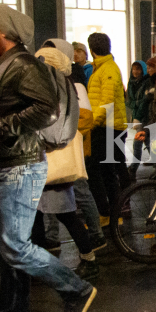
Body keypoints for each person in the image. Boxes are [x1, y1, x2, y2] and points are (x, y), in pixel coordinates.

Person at [0, 5, 95, 312]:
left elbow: (46, 110)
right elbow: (7, 107)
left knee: (14, 245)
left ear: (3, 30)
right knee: (6, 247)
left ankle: (76, 290)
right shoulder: (0, 65)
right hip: (0, 165)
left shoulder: (21, 63)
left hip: (17, 167)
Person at [31, 46, 103, 280]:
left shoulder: (59, 92)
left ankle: (89, 258)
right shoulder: (60, 89)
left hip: (52, 161)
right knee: (44, 215)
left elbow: (57, 130)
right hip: (45, 161)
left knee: (66, 215)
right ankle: (38, 262)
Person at [85, 32, 128, 221]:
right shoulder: (102, 68)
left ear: (92, 50)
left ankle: (108, 212)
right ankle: (112, 212)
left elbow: (107, 101)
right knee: (106, 170)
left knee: (101, 170)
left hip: (108, 127)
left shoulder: (107, 69)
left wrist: (93, 122)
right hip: (108, 126)